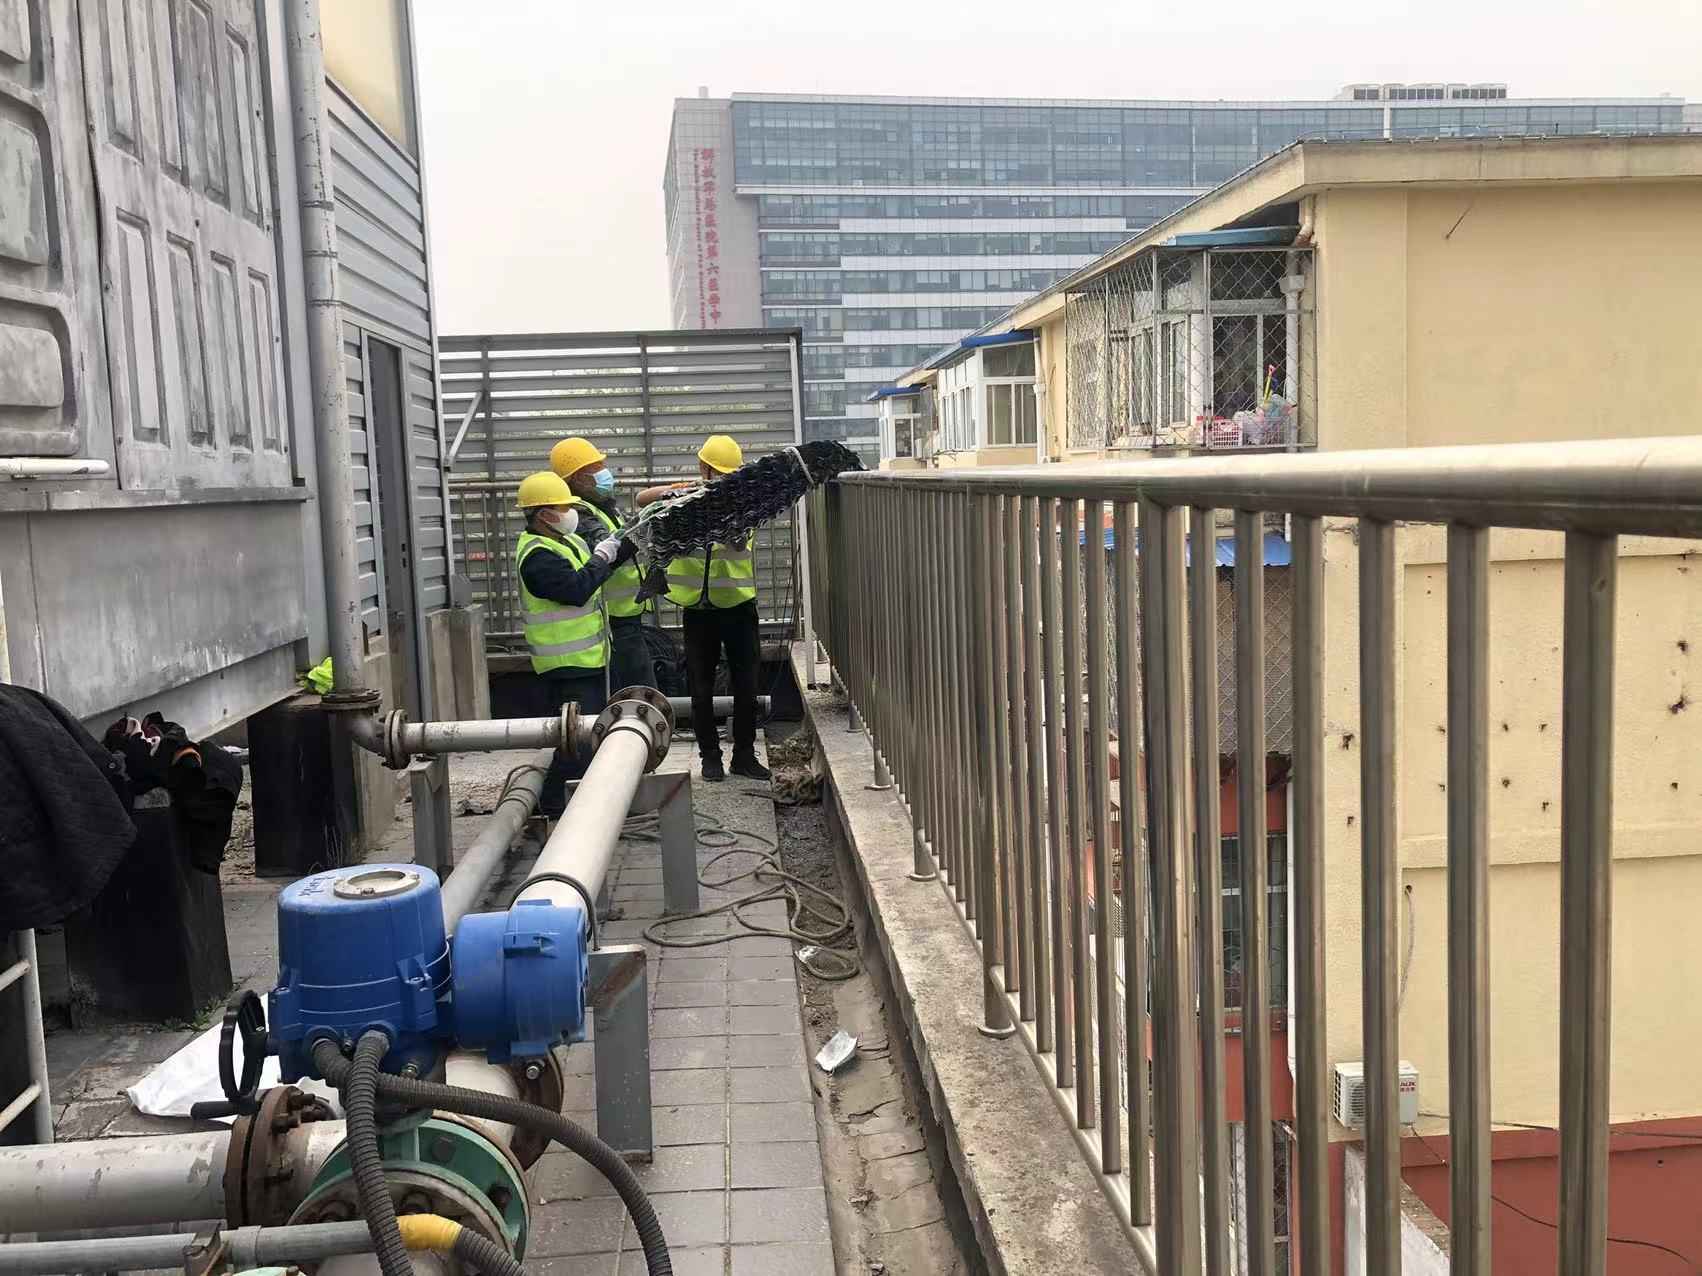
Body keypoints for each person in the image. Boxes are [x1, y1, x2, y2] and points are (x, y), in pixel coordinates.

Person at [636, 435, 769, 784]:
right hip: (698, 608)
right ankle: (710, 756)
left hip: (738, 605)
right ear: (704, 469)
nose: (722, 480)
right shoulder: (687, 499)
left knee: (746, 685)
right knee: (700, 686)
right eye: (717, 473)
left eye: (729, 474)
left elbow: (739, 543)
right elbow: (641, 499)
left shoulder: (745, 503)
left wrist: (724, 510)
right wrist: (687, 490)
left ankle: (743, 754)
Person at [513, 470, 634, 816]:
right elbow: (577, 589)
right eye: (562, 507)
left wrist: (625, 541)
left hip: (588, 659)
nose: (570, 512)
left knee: (583, 738)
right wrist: (602, 557)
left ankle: (571, 806)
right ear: (543, 515)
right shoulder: (537, 556)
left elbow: (598, 571)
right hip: (566, 665)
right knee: (575, 744)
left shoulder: (566, 542)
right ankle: (550, 808)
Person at [550, 436, 656, 692]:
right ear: (576, 479)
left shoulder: (604, 507)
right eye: (594, 469)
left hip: (626, 615)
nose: (603, 473)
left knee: (639, 689)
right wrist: (644, 526)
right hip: (613, 620)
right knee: (638, 694)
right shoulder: (579, 513)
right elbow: (608, 551)